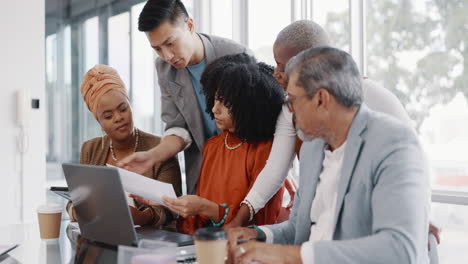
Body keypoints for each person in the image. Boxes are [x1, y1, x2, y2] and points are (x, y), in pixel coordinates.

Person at [228, 47, 430, 264]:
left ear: (321, 100)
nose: (291, 111)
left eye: (293, 100)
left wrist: (291, 256)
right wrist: (257, 235)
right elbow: (299, 227)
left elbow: (399, 249)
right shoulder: (312, 149)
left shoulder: (394, 143)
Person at [229, 20, 415, 227]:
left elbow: (411, 161)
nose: (276, 73)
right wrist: (240, 219)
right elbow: (274, 170)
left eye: (283, 65)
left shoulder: (377, 99)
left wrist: (413, 214)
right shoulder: (296, 118)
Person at [131, 53, 285, 235]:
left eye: (225, 103)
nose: (214, 109)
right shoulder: (213, 145)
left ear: (249, 105)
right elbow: (196, 217)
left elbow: (259, 224)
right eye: (215, 98)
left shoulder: (268, 150)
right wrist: (168, 202)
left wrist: (207, 208)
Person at [118, 0, 250, 195]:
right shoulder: (164, 69)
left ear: (189, 25)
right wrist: (152, 157)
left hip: (245, 170)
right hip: (204, 175)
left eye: (170, 43)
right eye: (157, 48)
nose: (167, 56)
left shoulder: (237, 56)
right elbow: (178, 127)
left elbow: (261, 123)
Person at [66, 64, 182, 227]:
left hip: (155, 243)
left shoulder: (160, 148)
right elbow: (75, 200)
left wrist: (143, 217)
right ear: (99, 122)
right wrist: (79, 211)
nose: (118, 118)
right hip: (105, 238)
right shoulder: (90, 149)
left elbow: (174, 209)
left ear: (130, 106)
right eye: (108, 116)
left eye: (123, 109)